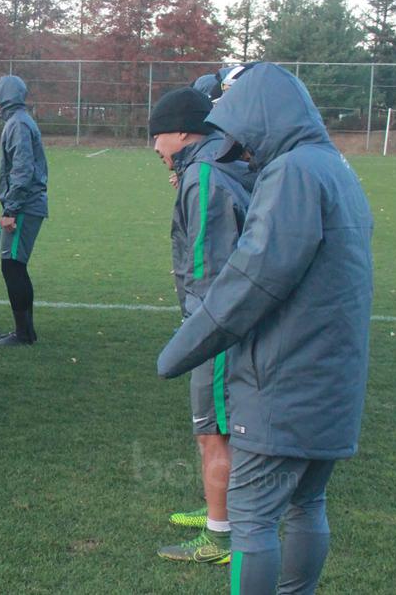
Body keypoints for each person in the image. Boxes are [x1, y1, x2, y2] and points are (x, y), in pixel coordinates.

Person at [157, 63, 373, 595]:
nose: (241, 150)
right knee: (307, 503)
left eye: (242, 136)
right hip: (332, 380)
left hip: (285, 381)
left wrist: (182, 348)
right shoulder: (336, 168)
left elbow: (255, 277)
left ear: (262, 119)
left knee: (252, 521)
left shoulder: (292, 173)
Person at [149, 86, 256, 565]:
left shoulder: (206, 176)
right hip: (222, 322)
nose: (153, 147)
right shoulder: (212, 167)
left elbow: (208, 270)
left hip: (214, 327)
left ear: (181, 132)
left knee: (214, 430)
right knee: (213, 427)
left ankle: (219, 539)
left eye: (157, 135)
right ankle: (221, 510)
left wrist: (198, 331)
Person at [0, 75, 48, 347]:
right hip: (25, 204)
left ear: (4, 97)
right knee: (14, 265)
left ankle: (24, 333)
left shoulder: (18, 124)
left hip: (24, 206)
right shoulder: (18, 122)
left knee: (13, 266)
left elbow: (23, 169)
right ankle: (24, 330)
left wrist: (11, 208)